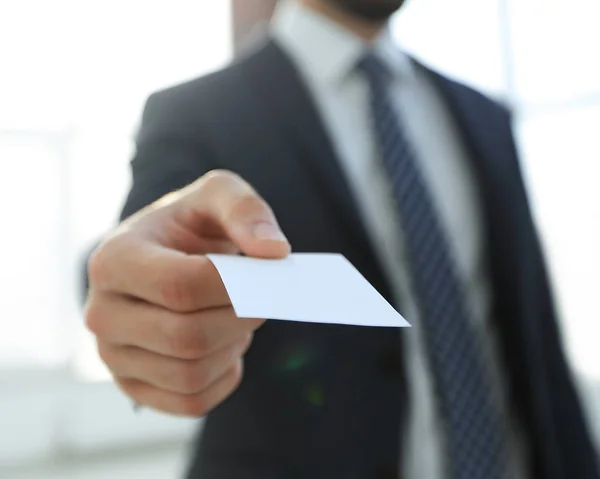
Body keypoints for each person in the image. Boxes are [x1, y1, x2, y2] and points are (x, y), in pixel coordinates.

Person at [83, 0, 599, 478]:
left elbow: (535, 342)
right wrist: (130, 294)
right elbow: (135, 249)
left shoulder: (484, 115)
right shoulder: (196, 112)